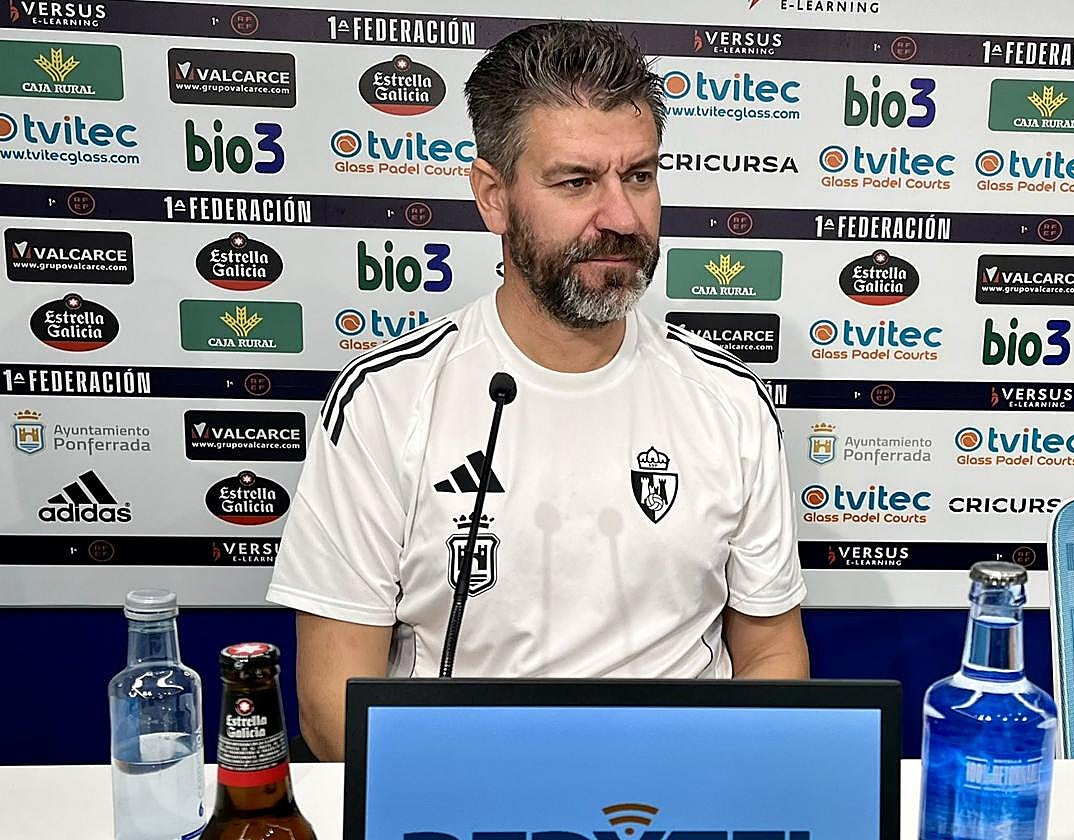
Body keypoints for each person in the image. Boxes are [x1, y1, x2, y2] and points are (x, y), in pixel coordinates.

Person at [266, 20, 809, 761]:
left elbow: (772, 649)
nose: (620, 217)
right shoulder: (387, 400)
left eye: (640, 176)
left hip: (675, 790)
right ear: (493, 197)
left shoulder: (729, 398)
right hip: (460, 796)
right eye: (576, 181)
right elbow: (333, 710)